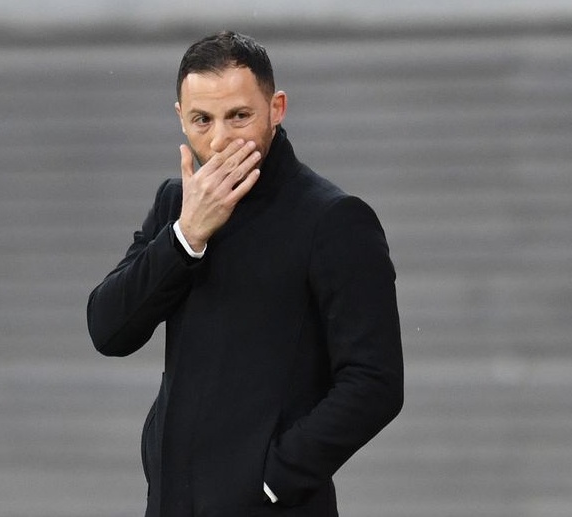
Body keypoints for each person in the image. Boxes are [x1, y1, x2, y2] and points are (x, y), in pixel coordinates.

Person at [87, 31, 403, 517]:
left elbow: (375, 383)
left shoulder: (333, 219)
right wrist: (186, 236)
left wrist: (269, 481)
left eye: (239, 116)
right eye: (202, 120)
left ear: (277, 109)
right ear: (181, 118)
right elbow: (109, 330)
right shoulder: (176, 205)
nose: (219, 140)